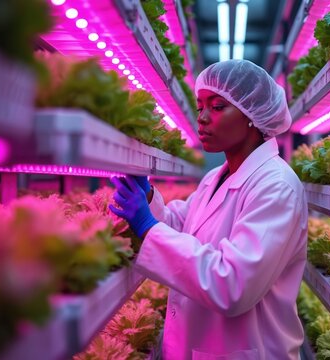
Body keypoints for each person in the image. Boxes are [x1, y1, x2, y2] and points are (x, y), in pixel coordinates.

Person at [109, 59, 308, 360]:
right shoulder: (215, 178)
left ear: (252, 116)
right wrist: (147, 197)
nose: (202, 118)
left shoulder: (276, 186)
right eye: (200, 105)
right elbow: (186, 226)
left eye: (216, 107)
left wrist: (148, 227)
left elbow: (233, 284)